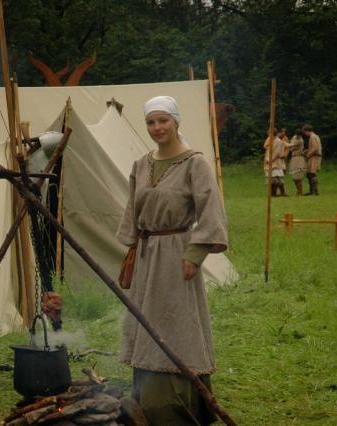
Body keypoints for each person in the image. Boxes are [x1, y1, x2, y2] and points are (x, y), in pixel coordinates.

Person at [117, 96, 228, 424]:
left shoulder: (195, 163)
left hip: (177, 255)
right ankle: (146, 398)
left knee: (176, 322)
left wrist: (195, 253)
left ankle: (177, 402)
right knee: (146, 320)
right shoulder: (141, 164)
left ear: (176, 121)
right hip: (147, 255)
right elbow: (132, 210)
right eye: (151, 122)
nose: (157, 128)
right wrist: (132, 246)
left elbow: (210, 209)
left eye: (163, 120)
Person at [303, 124, 322, 195]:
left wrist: (308, 154)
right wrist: (307, 150)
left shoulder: (312, 137)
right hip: (314, 156)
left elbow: (315, 148)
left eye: (305, 132)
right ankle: (311, 190)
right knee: (309, 174)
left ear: (307, 131)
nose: (305, 134)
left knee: (312, 173)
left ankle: (314, 191)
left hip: (314, 157)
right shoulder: (316, 136)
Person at [288, 128, 307, 196]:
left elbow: (291, 146)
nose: (298, 136)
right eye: (297, 135)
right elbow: (291, 148)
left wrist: (284, 143)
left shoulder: (300, 140)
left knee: (299, 176)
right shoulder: (294, 137)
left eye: (299, 135)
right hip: (294, 157)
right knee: (294, 176)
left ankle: (300, 192)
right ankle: (298, 191)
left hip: (299, 158)